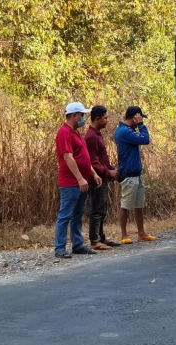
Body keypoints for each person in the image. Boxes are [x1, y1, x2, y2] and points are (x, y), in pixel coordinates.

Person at [54, 102, 102, 258]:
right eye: (82, 115)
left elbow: (83, 158)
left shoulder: (76, 133)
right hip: (70, 182)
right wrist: (80, 178)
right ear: (74, 115)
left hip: (83, 181)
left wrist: (93, 173)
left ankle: (77, 244)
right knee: (65, 215)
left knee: (77, 214)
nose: (83, 118)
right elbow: (68, 157)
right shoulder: (64, 133)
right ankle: (60, 247)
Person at [114, 106, 158, 244]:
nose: (140, 120)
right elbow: (145, 139)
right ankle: (124, 235)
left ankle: (141, 233)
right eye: (139, 118)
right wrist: (141, 125)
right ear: (134, 117)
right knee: (126, 205)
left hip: (136, 173)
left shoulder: (129, 131)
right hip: (128, 173)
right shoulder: (124, 131)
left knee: (139, 205)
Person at [85, 105, 121, 250]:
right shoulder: (91, 137)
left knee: (102, 209)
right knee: (96, 209)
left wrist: (112, 169)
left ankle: (101, 237)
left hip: (103, 177)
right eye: (105, 118)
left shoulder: (98, 134)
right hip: (96, 180)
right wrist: (108, 172)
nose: (107, 121)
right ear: (97, 119)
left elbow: (102, 159)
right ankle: (94, 240)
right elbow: (93, 162)